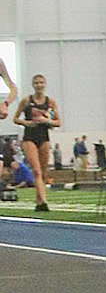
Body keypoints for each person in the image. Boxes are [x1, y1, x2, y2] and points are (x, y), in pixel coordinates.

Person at [12, 74, 59, 212]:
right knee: (36, 171)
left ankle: (39, 201)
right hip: (29, 138)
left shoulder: (50, 102)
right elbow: (15, 118)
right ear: (33, 85)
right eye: (37, 83)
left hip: (44, 137)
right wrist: (26, 122)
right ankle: (44, 202)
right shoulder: (27, 101)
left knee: (43, 171)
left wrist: (47, 121)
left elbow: (58, 122)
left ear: (45, 84)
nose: (39, 85)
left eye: (42, 83)